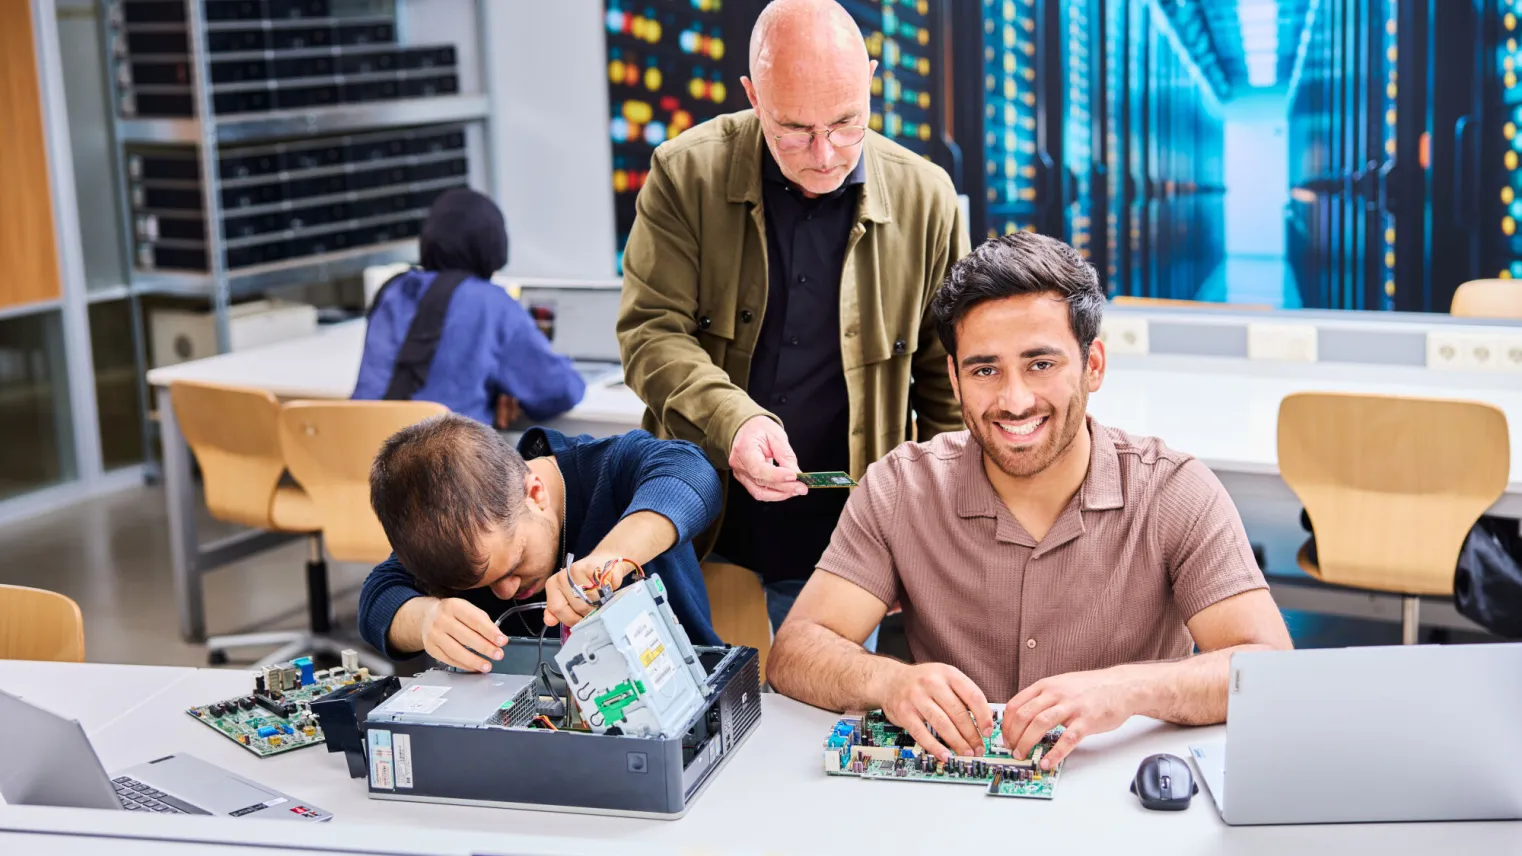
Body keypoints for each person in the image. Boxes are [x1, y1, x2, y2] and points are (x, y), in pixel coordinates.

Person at [766, 232, 1293, 770]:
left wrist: (1127, 689)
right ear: (954, 380)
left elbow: (1271, 670)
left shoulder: (1174, 490)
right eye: (985, 370)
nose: (1014, 401)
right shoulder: (901, 488)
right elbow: (795, 652)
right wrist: (889, 681)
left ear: (1093, 365)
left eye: (1041, 364)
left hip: (1124, 795)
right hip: (950, 798)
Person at [616, 0, 968, 634]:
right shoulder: (684, 174)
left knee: (827, 697)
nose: (825, 154)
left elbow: (947, 391)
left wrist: (928, 534)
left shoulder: (928, 198)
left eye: (846, 123)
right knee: (697, 693)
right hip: (703, 522)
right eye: (794, 130)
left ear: (871, 79)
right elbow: (650, 334)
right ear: (753, 96)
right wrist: (735, 422)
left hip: (851, 541)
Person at [356, 413, 723, 673]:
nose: (506, 592)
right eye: (482, 585)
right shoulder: (446, 536)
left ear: (535, 493)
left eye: (515, 564)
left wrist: (611, 557)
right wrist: (425, 619)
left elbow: (691, 472)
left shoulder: (613, 468)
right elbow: (377, 597)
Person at [354, 188, 585, 428]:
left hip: (360, 447)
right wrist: (507, 390)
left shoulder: (393, 291)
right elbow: (561, 390)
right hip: (442, 450)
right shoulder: (492, 303)